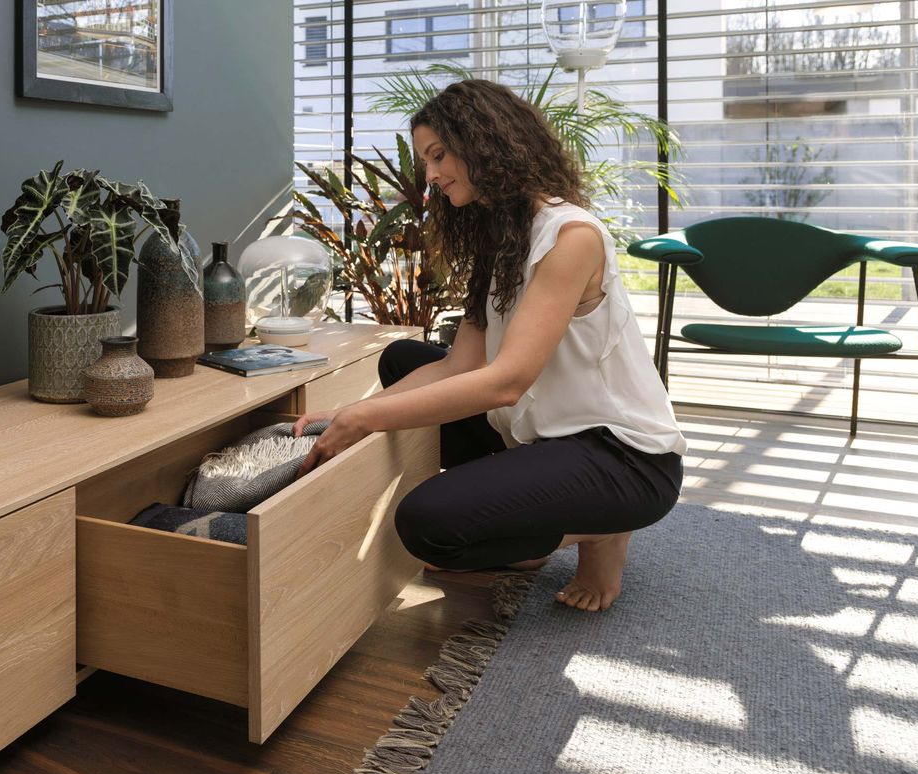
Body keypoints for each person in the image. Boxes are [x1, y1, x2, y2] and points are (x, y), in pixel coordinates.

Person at [292, 79, 686, 613]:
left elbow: (505, 383)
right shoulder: (500, 240)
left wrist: (366, 421)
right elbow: (462, 364)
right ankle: (533, 520)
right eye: (425, 160)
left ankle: (601, 530)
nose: (429, 174)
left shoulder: (571, 236)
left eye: (438, 155)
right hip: (545, 436)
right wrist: (351, 409)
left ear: (486, 144)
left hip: (624, 459)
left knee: (426, 525)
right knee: (402, 359)